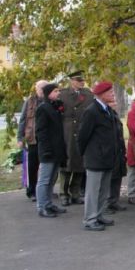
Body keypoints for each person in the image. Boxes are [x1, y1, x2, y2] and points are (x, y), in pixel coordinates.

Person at [76, 82, 118, 231]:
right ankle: (90, 219)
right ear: (101, 94)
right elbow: (82, 136)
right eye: (110, 92)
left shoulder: (107, 110)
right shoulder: (92, 111)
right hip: (95, 157)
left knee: (103, 189)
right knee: (93, 191)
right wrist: (85, 154)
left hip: (106, 156)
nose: (113, 94)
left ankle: (99, 215)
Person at [58, 70, 93, 206]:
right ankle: (63, 194)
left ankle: (75, 193)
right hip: (67, 132)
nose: (82, 82)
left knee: (80, 165)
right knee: (67, 165)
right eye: (79, 80)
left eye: (83, 80)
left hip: (81, 131)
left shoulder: (88, 94)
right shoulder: (63, 95)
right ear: (72, 81)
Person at [34, 83, 68, 218]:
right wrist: (46, 150)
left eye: (58, 90)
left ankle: (48, 203)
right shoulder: (43, 108)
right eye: (55, 91)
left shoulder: (54, 107)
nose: (58, 93)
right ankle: (42, 206)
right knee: (44, 180)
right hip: (48, 151)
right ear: (48, 93)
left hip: (56, 150)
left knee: (52, 179)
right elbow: (41, 132)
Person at [17, 79, 48, 201]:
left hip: (46, 140)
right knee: (32, 167)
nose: (41, 91)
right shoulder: (29, 101)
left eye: (44, 88)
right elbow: (23, 120)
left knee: (47, 167)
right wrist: (20, 138)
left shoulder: (50, 101)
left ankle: (44, 190)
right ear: (36, 89)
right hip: (32, 139)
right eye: (40, 88)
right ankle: (32, 192)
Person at [105, 96, 127, 214]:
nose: (115, 104)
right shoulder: (105, 115)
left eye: (115, 101)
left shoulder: (114, 115)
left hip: (118, 150)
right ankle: (106, 203)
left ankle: (114, 201)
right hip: (109, 150)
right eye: (112, 102)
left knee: (117, 177)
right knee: (108, 179)